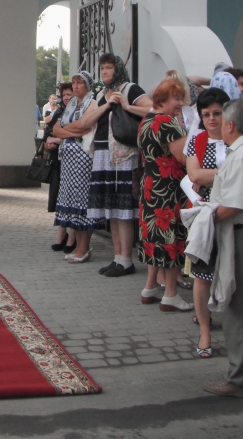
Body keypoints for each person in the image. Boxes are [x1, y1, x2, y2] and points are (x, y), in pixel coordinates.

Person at [85, 54, 152, 278]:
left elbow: (152, 109)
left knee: (123, 210)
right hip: (102, 153)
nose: (105, 71)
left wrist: (126, 105)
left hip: (123, 154)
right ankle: (117, 257)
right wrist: (106, 106)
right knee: (112, 210)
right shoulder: (100, 95)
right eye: (102, 68)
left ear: (118, 69)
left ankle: (127, 260)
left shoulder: (129, 89)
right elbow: (87, 122)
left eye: (109, 67)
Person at [137, 79, 193, 313]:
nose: (181, 103)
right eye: (176, 99)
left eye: (181, 98)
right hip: (169, 189)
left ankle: (150, 287)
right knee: (171, 240)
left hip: (151, 185)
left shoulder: (147, 120)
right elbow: (183, 158)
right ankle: (170, 294)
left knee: (155, 238)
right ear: (162, 100)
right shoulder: (168, 123)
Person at [185, 87, 229, 358]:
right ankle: (204, 329)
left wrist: (208, 174)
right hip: (206, 214)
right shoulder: (198, 140)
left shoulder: (236, 139)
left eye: (217, 113)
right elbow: (195, 176)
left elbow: (203, 174)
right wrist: (229, 172)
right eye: (206, 114)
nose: (211, 119)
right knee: (202, 275)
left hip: (233, 211)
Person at [203, 98, 243, 397]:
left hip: (237, 233)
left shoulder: (239, 156)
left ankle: (237, 378)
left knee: (235, 307)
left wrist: (205, 216)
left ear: (230, 125)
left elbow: (233, 205)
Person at [52, 71, 100, 263]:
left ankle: (84, 248)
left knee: (82, 202)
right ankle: (79, 247)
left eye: (80, 83)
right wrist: (71, 131)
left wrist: (67, 130)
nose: (76, 86)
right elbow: (56, 129)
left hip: (83, 158)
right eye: (74, 83)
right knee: (72, 203)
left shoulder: (92, 102)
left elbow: (84, 125)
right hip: (68, 159)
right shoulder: (71, 104)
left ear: (87, 85)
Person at [44, 82, 76, 252]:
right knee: (60, 199)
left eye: (69, 94)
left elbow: (77, 134)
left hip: (74, 160)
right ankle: (61, 235)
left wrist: (57, 139)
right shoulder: (59, 111)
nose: (66, 97)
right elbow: (50, 130)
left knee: (72, 200)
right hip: (58, 160)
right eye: (64, 95)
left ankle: (72, 238)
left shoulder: (78, 111)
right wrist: (50, 142)